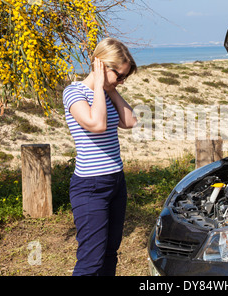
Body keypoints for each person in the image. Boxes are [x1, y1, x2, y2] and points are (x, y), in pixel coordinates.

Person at [62, 38, 138, 276]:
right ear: (102, 66)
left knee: (109, 254)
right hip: (90, 186)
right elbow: (97, 124)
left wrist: (111, 88)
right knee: (90, 261)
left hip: (116, 181)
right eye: (120, 75)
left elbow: (130, 121)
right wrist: (99, 85)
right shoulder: (74, 92)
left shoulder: (107, 93)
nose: (122, 81)